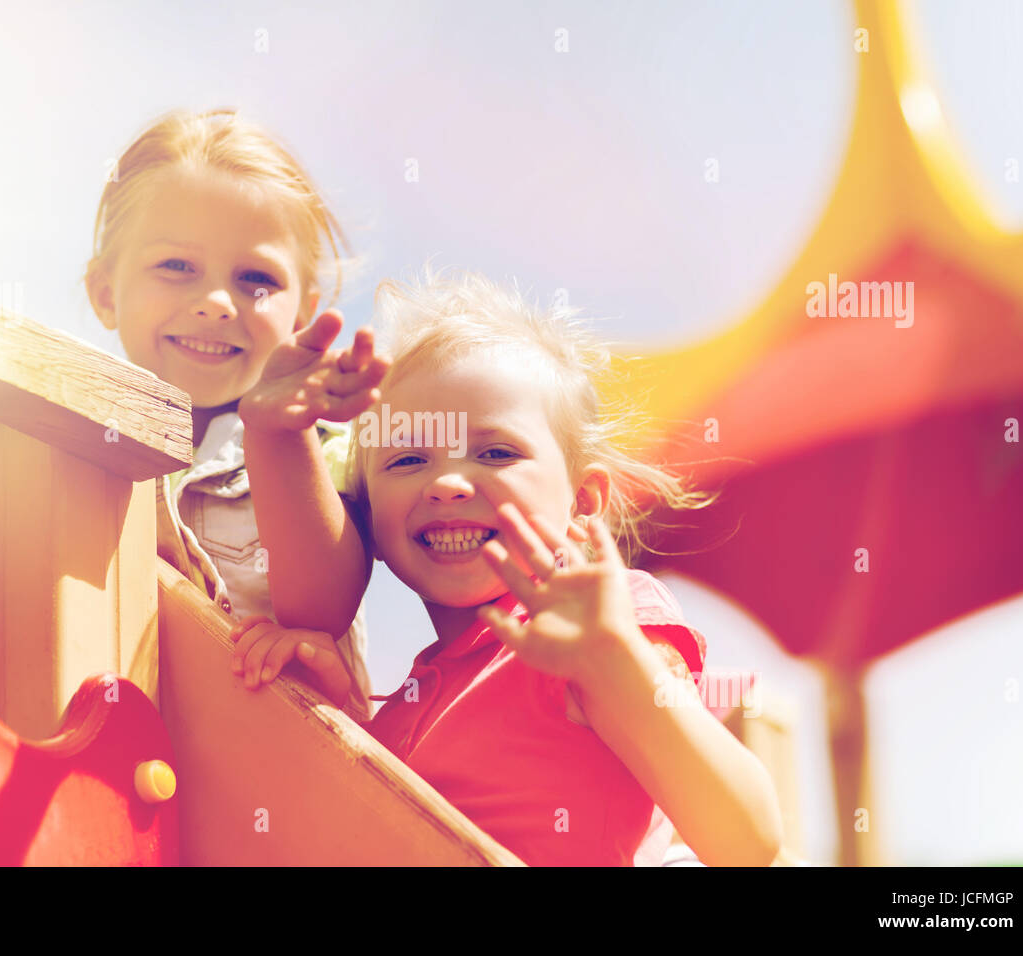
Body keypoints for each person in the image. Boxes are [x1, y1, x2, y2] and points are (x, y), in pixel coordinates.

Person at [232, 269, 783, 866]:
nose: (445, 482)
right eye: (408, 459)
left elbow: (745, 840)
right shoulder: (403, 711)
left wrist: (615, 663)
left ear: (583, 500)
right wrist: (338, 716)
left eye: (496, 452)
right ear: (368, 521)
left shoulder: (594, 627)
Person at [83, 109, 379, 720]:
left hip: (280, 777)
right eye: (176, 266)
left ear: (302, 312)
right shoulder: (68, 441)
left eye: (256, 279)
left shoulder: (321, 441)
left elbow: (321, 612)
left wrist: (278, 432)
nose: (217, 302)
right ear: (107, 292)